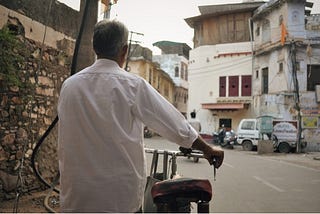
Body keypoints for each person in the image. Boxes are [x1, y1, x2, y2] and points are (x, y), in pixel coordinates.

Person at [57, 19, 224, 213]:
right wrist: (206, 149)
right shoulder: (132, 85)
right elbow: (172, 122)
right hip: (119, 200)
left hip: (76, 197)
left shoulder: (70, 86)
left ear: (95, 47)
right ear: (124, 50)